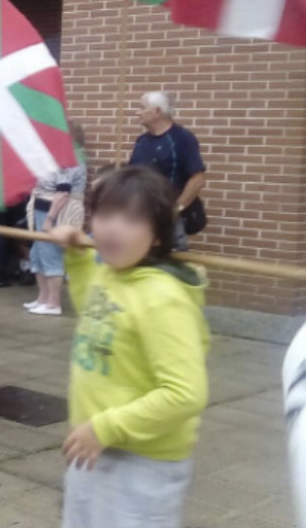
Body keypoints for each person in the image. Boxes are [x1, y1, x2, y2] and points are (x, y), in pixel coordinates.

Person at [48, 166, 208, 528]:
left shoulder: (162, 300)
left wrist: (105, 428)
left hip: (141, 461)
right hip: (94, 447)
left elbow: (185, 393)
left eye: (133, 218)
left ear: (156, 236)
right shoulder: (112, 272)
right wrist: (76, 255)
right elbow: (93, 305)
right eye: (105, 214)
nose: (113, 227)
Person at [129, 91, 206, 250]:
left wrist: (174, 210)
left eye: (142, 108)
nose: (137, 112)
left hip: (170, 221)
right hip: (143, 216)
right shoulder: (141, 140)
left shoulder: (182, 138)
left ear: (157, 111)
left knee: (169, 265)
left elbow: (197, 179)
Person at [25, 124, 88, 316]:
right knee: (37, 254)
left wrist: (49, 219)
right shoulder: (56, 157)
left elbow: (62, 194)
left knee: (51, 255)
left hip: (57, 212)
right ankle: (42, 298)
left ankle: (54, 303)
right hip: (41, 209)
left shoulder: (70, 159)